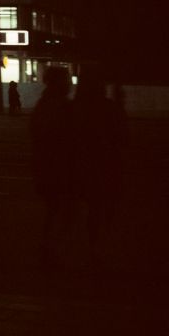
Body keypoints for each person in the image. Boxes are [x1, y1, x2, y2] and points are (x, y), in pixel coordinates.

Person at [73, 66, 127, 265]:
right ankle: (98, 246)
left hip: (80, 166)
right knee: (104, 206)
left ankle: (86, 246)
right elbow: (123, 138)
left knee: (86, 208)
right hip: (105, 165)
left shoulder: (75, 108)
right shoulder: (108, 108)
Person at [30, 65, 76, 267]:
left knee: (55, 211)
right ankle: (53, 252)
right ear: (58, 83)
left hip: (48, 168)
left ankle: (50, 250)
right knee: (61, 211)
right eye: (67, 80)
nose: (69, 85)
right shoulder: (57, 106)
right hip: (58, 170)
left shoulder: (45, 104)